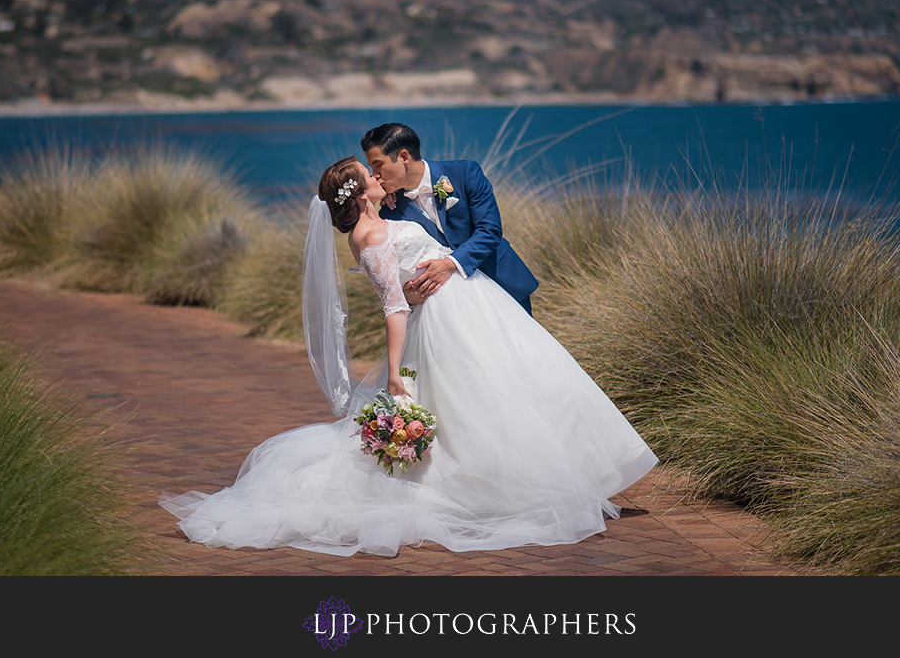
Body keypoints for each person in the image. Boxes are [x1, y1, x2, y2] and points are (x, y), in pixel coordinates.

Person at [159, 157, 658, 556]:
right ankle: (508, 490)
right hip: (444, 323)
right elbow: (393, 304)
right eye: (367, 175)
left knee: (522, 386)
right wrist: (396, 372)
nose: (378, 177)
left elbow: (403, 278)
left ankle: (550, 475)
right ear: (357, 195)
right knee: (482, 400)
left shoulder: (383, 219)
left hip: (468, 308)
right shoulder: (371, 235)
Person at [361, 122, 539, 314]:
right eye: (371, 169)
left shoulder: (465, 173)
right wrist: (409, 296)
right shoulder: (389, 212)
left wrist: (450, 263)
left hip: (502, 282)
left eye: (379, 166)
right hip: (453, 308)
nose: (375, 175)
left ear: (404, 157)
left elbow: (490, 231)